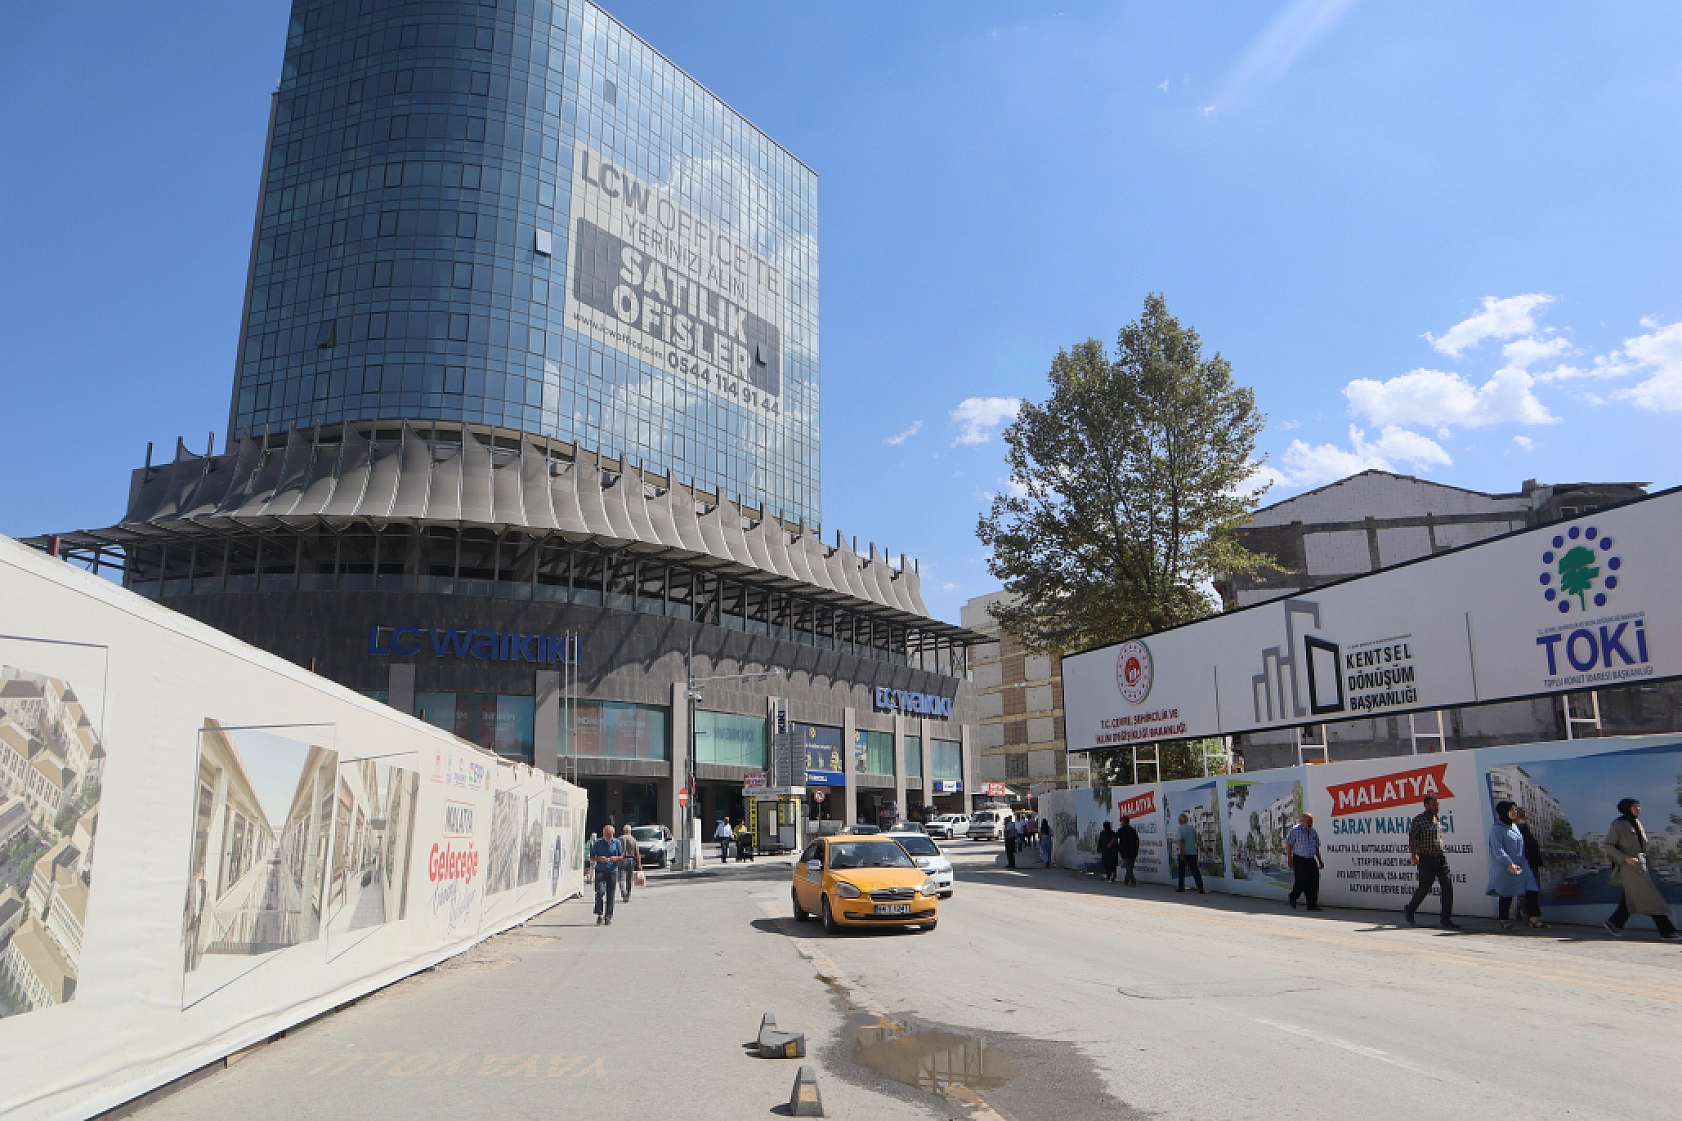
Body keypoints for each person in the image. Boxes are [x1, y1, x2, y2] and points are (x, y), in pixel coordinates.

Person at [1602, 798, 1680, 941]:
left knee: (1631, 898)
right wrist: (1625, 858)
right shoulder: (1619, 825)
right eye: (1634, 806)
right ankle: (1666, 930)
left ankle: (1615, 922)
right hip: (1630, 867)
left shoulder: (1636, 822)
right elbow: (1608, 845)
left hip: (1641, 865)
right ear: (1627, 808)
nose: (1638, 809)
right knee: (1650, 896)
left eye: (1639, 806)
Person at [1403, 794, 1458, 930]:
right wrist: (1414, 855)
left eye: (1437, 804)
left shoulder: (1437, 819)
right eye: (1433, 804)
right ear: (1426, 805)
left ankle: (1446, 919)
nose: (1436, 807)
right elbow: (1412, 837)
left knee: (1447, 887)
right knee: (1424, 888)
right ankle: (1410, 909)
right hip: (1426, 859)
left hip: (1440, 858)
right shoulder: (1419, 820)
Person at [1485, 800, 1538, 931]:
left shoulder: (1514, 827)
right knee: (1506, 893)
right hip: (1506, 867)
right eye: (1511, 810)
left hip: (1522, 864)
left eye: (1515, 809)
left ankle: (1534, 919)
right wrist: (1509, 864)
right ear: (1504, 812)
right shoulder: (1497, 829)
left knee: (1531, 888)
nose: (1514, 812)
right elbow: (1498, 849)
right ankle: (1504, 920)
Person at [1512, 807, 1547, 928]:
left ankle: (1524, 913)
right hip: (1524, 865)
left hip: (1531, 863)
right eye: (1520, 816)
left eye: (1523, 816)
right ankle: (1530, 917)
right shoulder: (1513, 830)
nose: (1523, 818)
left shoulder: (1524, 829)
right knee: (1528, 892)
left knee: (1531, 891)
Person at [1285, 812, 1324, 911]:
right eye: (1308, 821)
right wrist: (1289, 859)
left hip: (1311, 859)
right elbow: (1289, 844)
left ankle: (1312, 904)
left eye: (1311, 821)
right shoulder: (1296, 830)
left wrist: (1320, 860)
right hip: (1299, 859)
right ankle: (1293, 896)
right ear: (1303, 820)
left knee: (1314, 880)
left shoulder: (1313, 832)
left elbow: (1316, 848)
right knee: (1301, 881)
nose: (1310, 823)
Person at [591, 825, 622, 925]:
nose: (609, 837)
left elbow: (622, 856)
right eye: (607, 835)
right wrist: (600, 858)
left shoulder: (617, 842)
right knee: (600, 891)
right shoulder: (598, 843)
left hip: (612, 871)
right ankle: (599, 913)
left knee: (610, 894)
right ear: (603, 834)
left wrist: (615, 858)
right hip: (601, 870)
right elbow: (592, 857)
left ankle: (608, 916)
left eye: (610, 835)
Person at [1175, 812, 1204, 893]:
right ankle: (1200, 887)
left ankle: (1181, 887)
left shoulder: (1180, 829)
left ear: (1180, 820)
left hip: (1184, 852)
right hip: (1193, 852)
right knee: (1195, 870)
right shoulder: (1191, 828)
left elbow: (1181, 841)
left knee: (1181, 871)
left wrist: (1181, 853)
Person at [620, 823, 643, 903]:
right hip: (630, 860)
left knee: (621, 878)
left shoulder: (620, 839)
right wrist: (639, 864)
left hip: (621, 859)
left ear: (624, 831)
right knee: (629, 879)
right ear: (630, 831)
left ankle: (623, 893)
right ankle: (628, 894)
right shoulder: (633, 839)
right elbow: (637, 853)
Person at [1117, 815, 1140, 886]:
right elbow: (1137, 841)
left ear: (1124, 822)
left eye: (1122, 821)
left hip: (1125, 851)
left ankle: (1132, 880)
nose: (1121, 822)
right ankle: (1126, 879)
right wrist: (1137, 849)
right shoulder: (1132, 830)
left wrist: (1109, 845)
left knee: (1128, 866)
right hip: (1132, 850)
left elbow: (1115, 838)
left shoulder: (1121, 830)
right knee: (1130, 866)